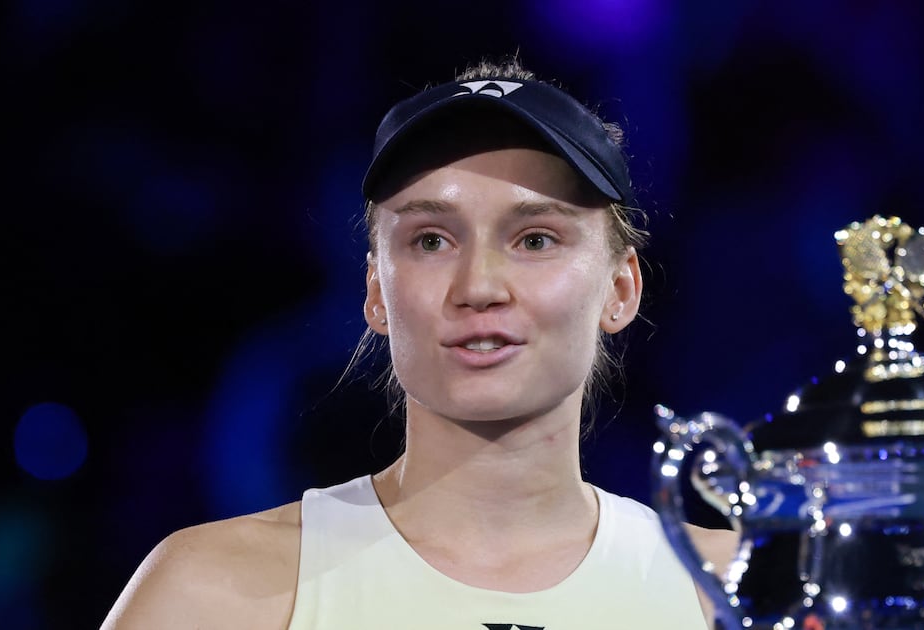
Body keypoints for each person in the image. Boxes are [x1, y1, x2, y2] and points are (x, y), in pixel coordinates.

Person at [102, 57, 736, 630]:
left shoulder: (733, 592)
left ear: (621, 289)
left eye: (535, 239)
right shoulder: (212, 594)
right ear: (377, 291)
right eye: (431, 240)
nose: (479, 286)